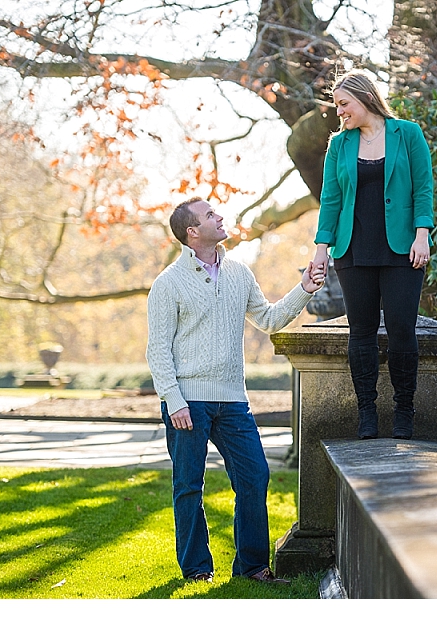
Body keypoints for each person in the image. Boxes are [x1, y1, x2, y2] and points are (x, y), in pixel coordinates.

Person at [146, 196, 324, 584]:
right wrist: (174, 401)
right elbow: (157, 349)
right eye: (210, 214)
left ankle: (252, 567)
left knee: (254, 476)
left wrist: (305, 288)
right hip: (187, 402)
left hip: (232, 401)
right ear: (192, 232)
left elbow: (271, 319)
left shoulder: (240, 273)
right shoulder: (168, 284)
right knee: (189, 487)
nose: (220, 216)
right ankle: (196, 570)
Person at [311, 69, 434, 440]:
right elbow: (331, 199)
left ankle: (404, 412)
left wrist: (422, 234)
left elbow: (423, 187)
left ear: (365, 97)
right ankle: (366, 412)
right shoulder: (339, 145)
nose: (340, 113)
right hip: (353, 250)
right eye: (337, 106)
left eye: (344, 104)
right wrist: (321, 250)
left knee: (401, 331)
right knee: (361, 332)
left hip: (402, 250)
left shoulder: (407, 133)